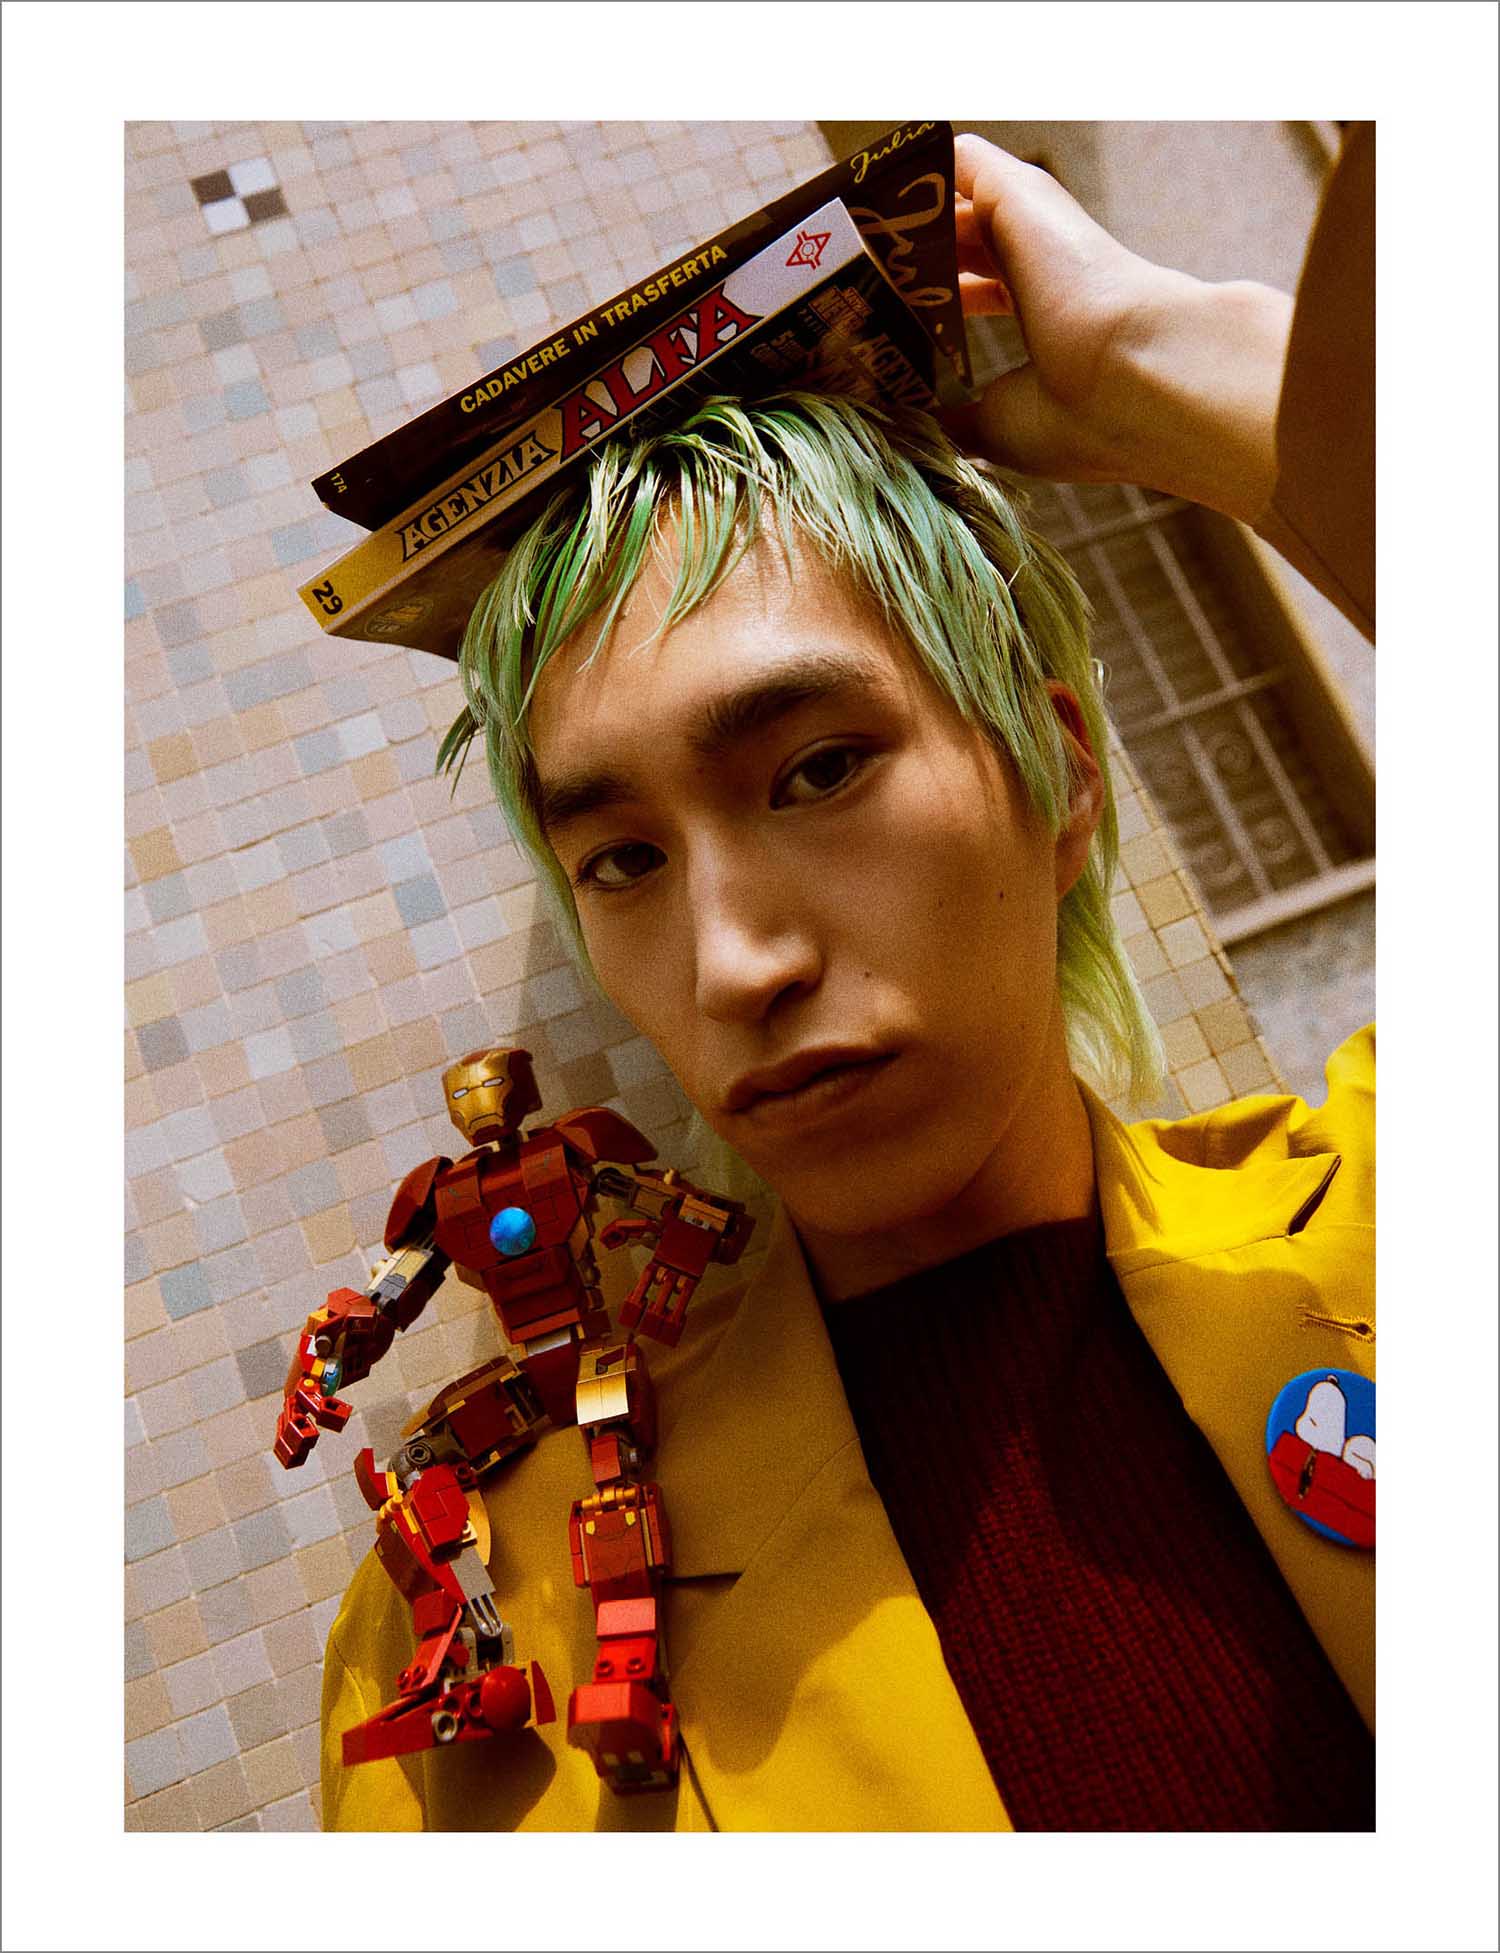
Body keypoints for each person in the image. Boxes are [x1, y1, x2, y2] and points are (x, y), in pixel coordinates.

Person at [319, 125, 1375, 1831]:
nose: (736, 961)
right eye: (622, 860)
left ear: (1062, 768)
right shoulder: (485, 1601)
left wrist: (1169, 367)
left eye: (817, 770)